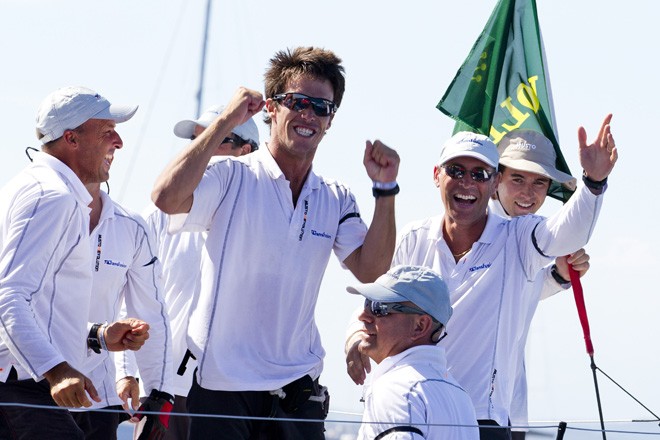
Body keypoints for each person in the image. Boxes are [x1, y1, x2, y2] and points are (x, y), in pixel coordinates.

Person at [151, 46, 400, 439]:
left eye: (322, 107)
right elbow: (165, 198)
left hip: (297, 390)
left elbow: (372, 270)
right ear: (271, 107)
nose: (309, 115)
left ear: (331, 119)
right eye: (298, 102)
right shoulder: (230, 174)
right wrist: (225, 122)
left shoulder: (335, 197)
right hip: (222, 389)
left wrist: (385, 189)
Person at [346, 120, 617, 440]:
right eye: (456, 171)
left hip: (480, 418)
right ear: (437, 175)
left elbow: (567, 234)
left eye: (479, 174)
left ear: (492, 182)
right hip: (407, 405)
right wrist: (354, 336)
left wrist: (594, 182)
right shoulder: (414, 236)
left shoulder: (520, 236)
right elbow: (379, 300)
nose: (467, 181)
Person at [0, 86, 150, 439]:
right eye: (107, 132)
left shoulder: (34, 187)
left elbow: (37, 305)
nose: (119, 142)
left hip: (23, 382)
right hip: (21, 384)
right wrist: (56, 369)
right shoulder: (54, 197)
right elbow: (9, 295)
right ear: (71, 139)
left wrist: (96, 335)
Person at [140, 106, 260, 440]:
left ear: (245, 151)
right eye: (196, 140)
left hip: (239, 393)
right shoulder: (157, 214)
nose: (199, 148)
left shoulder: (270, 214)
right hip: (165, 389)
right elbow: (130, 298)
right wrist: (130, 375)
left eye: (214, 139)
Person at [491, 129, 590, 439]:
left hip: (512, 410)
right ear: (496, 179)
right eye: (517, 179)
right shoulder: (474, 228)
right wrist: (595, 182)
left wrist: (558, 276)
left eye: (540, 182)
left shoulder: (527, 234)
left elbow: (522, 292)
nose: (528, 193)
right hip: (467, 409)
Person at [68, 179, 174, 440]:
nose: (117, 142)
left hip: (98, 397)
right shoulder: (32, 208)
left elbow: (148, 314)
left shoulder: (132, 226)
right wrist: (98, 335)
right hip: (31, 388)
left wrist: (159, 394)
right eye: (105, 134)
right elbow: (14, 303)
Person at [349, 265, 479, 440]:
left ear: (420, 326)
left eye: (380, 307)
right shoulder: (461, 396)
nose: (363, 316)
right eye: (367, 303)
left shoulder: (397, 388)